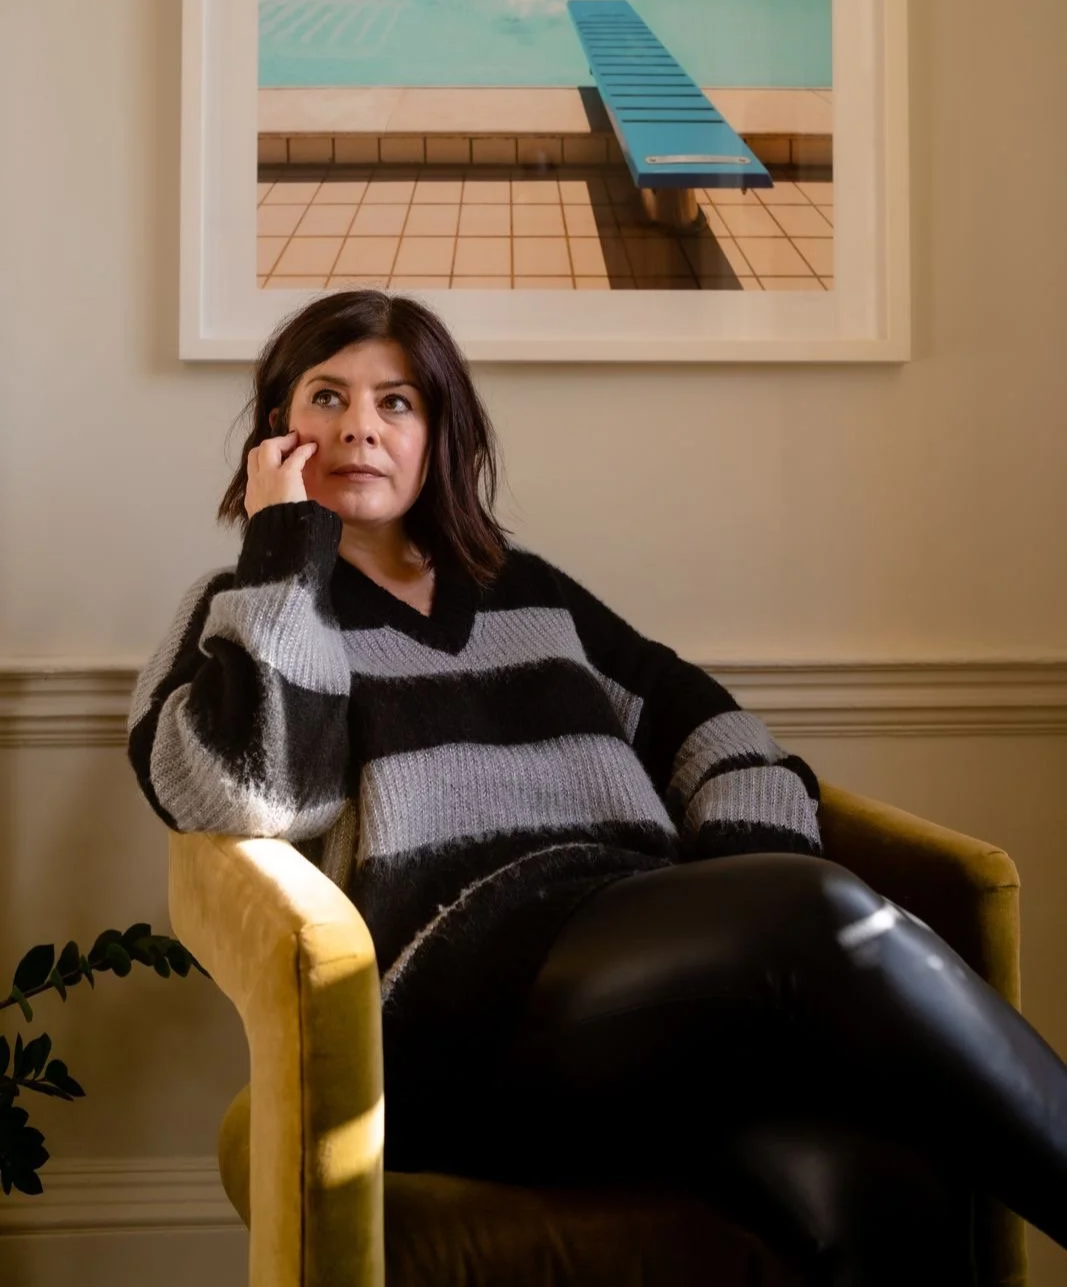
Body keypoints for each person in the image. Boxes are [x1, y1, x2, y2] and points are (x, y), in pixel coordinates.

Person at [128, 290, 1067, 1286]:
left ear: (438, 432)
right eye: (328, 396)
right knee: (827, 916)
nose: (361, 424)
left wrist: (744, 884)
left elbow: (715, 729)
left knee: (876, 1178)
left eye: (397, 401)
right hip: (457, 1009)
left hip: (636, 976)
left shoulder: (525, 591)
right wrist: (285, 553)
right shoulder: (240, 611)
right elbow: (247, 798)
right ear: (280, 429)